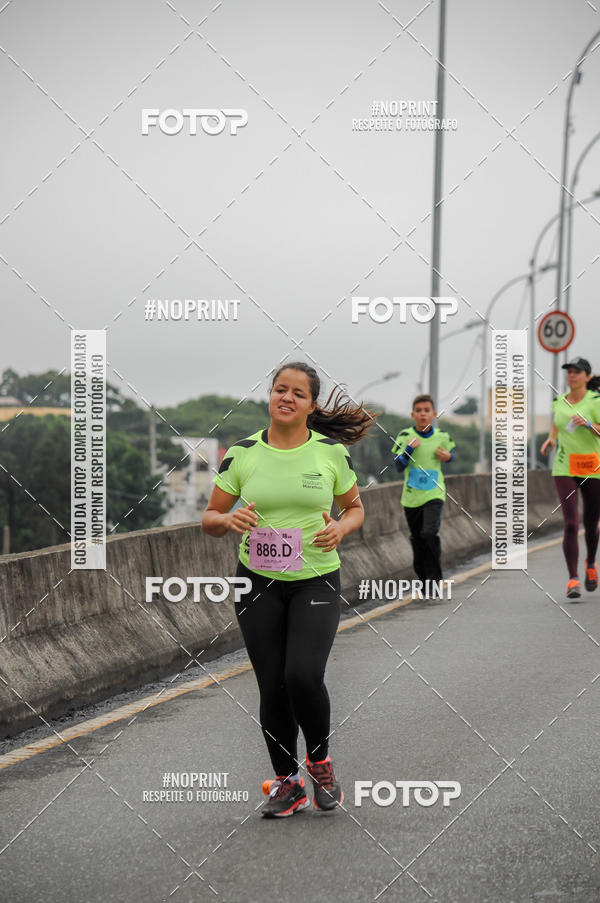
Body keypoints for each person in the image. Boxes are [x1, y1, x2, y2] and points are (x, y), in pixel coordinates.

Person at [201, 362, 376, 818]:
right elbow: (210, 519)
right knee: (272, 685)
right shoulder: (242, 453)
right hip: (256, 583)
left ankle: (320, 763)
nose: (288, 398)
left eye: (299, 393)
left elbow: (355, 508)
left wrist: (342, 528)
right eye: (281, 389)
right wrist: (229, 520)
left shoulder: (329, 453)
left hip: (315, 579)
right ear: (270, 396)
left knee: (302, 675)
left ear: (311, 405)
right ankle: (287, 784)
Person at [541, 357, 600, 599]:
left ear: (587, 377)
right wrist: (551, 440)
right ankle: (572, 579)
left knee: (591, 522)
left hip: (592, 467)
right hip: (565, 466)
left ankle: (590, 564)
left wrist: (588, 424)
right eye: (569, 372)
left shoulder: (595, 401)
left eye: (577, 372)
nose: (572, 376)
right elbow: (557, 426)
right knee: (571, 524)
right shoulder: (558, 402)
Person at [391, 394, 455, 584]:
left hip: (434, 493)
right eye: (418, 411)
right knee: (418, 539)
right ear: (413, 414)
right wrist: (409, 451)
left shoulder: (442, 437)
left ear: (434, 414)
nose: (423, 414)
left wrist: (448, 457)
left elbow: (450, 455)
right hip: (411, 497)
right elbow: (398, 466)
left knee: (429, 533)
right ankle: (422, 577)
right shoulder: (405, 436)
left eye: (426, 411)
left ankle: (435, 578)